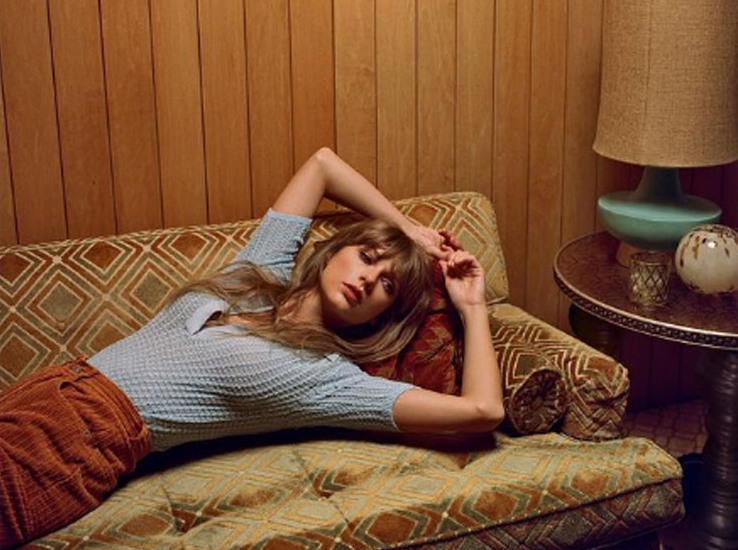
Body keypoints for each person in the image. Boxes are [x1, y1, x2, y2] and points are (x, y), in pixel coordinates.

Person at [0, 147, 503, 548]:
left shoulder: (324, 377)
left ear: (380, 317)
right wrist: (409, 233)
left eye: (387, 286)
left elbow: (482, 411)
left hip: (84, 443)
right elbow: (323, 165)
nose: (369, 278)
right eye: (367, 257)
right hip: (44, 390)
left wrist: (472, 305)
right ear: (334, 252)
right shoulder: (255, 276)